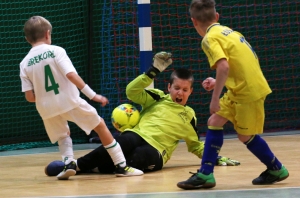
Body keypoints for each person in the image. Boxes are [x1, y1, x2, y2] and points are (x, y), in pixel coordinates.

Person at [45, 51, 240, 178]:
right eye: (177, 88)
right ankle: (77, 165)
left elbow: (195, 145)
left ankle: (99, 167)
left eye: (185, 90)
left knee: (139, 156)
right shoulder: (156, 97)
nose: (180, 93)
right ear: (169, 87)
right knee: (125, 141)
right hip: (138, 135)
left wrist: (215, 157)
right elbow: (132, 91)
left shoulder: (189, 115)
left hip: (157, 151)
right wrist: (153, 71)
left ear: (190, 92)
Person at [177, 0, 289, 190]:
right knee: (214, 122)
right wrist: (220, 82)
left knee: (245, 136)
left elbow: (223, 67)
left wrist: (214, 98)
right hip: (241, 87)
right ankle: (206, 174)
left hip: (247, 92)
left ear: (194, 21)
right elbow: (237, 63)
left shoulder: (209, 39)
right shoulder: (227, 31)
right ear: (217, 16)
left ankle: (276, 168)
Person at [19, 16, 143, 180]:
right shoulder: (57, 51)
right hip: (69, 100)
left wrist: (45, 97)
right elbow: (71, 75)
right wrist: (93, 95)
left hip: (45, 108)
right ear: (48, 34)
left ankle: (69, 163)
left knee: (63, 135)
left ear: (27, 39)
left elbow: (29, 97)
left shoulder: (24, 63)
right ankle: (121, 165)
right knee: (100, 126)